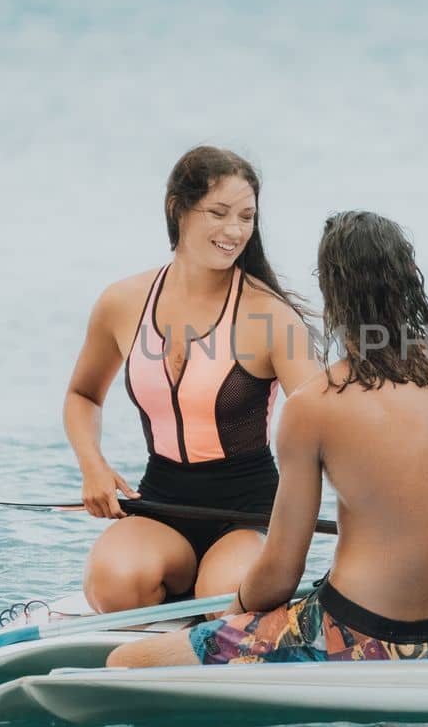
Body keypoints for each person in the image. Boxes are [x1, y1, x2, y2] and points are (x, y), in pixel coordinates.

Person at [108, 210, 428, 667]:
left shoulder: (318, 403)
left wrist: (231, 611)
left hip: (346, 634)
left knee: (125, 662)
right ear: (410, 279)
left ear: (333, 293)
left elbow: (281, 574)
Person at [65, 146, 317, 614]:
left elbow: (329, 425)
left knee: (227, 602)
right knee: (112, 586)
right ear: (176, 208)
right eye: (218, 213)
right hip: (161, 502)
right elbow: (82, 396)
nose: (235, 230)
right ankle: (174, 597)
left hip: (250, 514)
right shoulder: (122, 302)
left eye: (246, 216)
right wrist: (92, 466)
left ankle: (211, 600)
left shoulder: (271, 317)